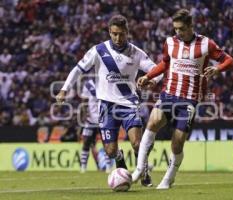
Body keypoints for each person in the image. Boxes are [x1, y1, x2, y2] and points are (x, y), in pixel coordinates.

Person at [132, 9, 233, 189]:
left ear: (190, 27)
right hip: (168, 94)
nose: (177, 32)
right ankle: (140, 169)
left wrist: (218, 69)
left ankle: (169, 178)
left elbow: (229, 61)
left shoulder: (206, 44)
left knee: (177, 142)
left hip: (189, 99)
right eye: (175, 29)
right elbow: (165, 63)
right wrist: (148, 76)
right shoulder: (170, 42)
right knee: (152, 124)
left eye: (181, 29)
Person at [56, 14, 162, 186]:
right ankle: (119, 160)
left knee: (136, 143)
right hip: (106, 106)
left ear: (127, 32)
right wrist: (64, 89)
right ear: (109, 32)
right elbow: (78, 69)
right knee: (110, 150)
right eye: (114, 34)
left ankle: (143, 172)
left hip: (129, 105)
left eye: (121, 33)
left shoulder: (136, 53)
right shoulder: (98, 50)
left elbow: (158, 70)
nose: (117, 38)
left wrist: (152, 80)